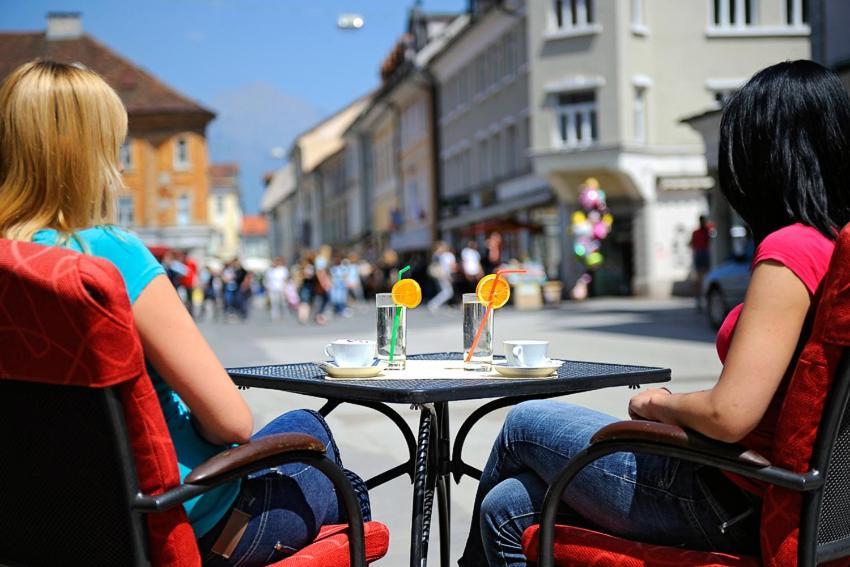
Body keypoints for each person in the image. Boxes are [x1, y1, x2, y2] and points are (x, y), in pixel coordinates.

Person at [459, 60, 850, 566]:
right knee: (507, 505)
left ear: (763, 156)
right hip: (774, 491)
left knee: (524, 422)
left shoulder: (791, 251)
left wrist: (658, 404)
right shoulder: (831, 248)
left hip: (726, 491)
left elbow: (729, 414)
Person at [0, 60, 370, 567]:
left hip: (47, 532)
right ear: (90, 154)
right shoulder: (105, 255)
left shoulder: (12, 265)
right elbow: (231, 422)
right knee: (321, 446)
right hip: (172, 525)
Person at [691, 215, 713, 311]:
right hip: (701, 253)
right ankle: (700, 299)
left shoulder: (705, 231)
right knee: (702, 277)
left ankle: (701, 299)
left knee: (702, 277)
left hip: (700, 253)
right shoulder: (703, 231)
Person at [427, 241, 456, 312]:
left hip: (440, 275)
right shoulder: (441, 255)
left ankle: (437, 304)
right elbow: (446, 267)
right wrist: (447, 276)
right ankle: (433, 304)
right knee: (447, 292)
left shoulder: (439, 255)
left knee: (445, 291)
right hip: (443, 275)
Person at [263, 256, 289, 321]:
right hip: (272, 289)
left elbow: (285, 280)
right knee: (274, 303)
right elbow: (267, 280)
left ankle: (281, 315)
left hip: (281, 288)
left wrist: (286, 289)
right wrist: (267, 288)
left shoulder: (283, 269)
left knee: (282, 303)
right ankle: (274, 316)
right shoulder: (270, 270)